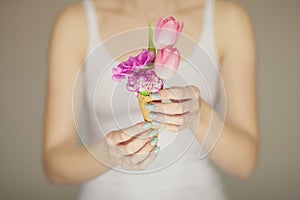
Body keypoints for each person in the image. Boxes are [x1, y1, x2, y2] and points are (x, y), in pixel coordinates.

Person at [43, 0, 259, 199]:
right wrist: (108, 155)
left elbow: (244, 164)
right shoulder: (75, 22)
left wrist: (198, 115)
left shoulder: (228, 20)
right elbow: (55, 166)